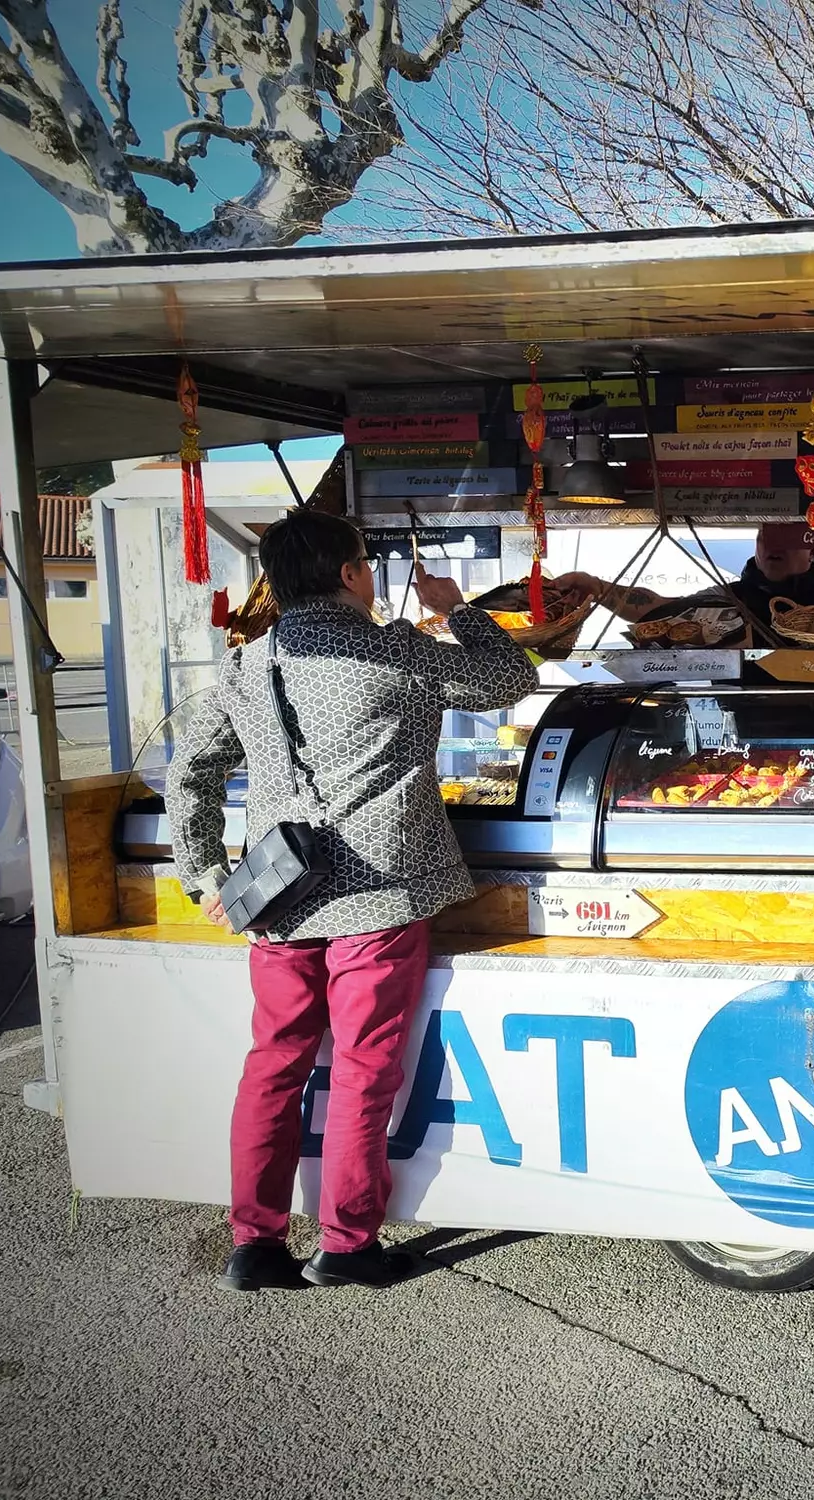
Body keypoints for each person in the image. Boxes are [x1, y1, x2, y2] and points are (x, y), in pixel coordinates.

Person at [167, 511, 538, 1293]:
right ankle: (346, 1244)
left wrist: (203, 874)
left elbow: (189, 773)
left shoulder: (246, 665)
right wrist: (456, 607)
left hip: (278, 901)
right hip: (379, 896)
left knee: (272, 1066)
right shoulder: (393, 649)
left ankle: (256, 1245)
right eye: (365, 563)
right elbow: (511, 680)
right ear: (348, 573)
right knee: (364, 1073)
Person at [558, 523, 814, 631]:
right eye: (765, 535)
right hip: (745, 736)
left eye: (786, 536)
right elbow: (659, 613)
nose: (772, 545)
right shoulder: (725, 598)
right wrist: (596, 587)